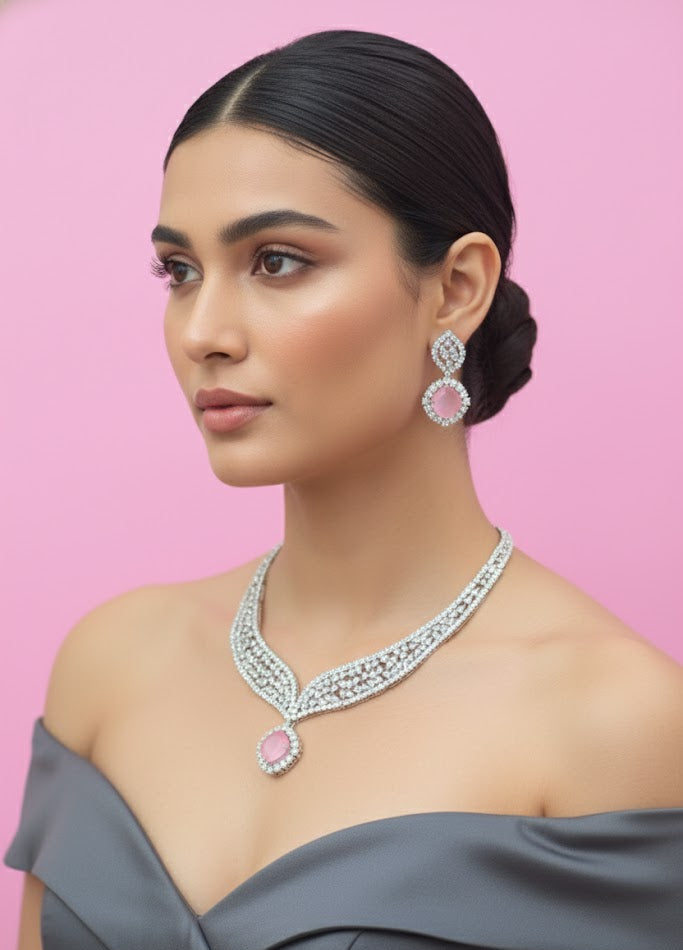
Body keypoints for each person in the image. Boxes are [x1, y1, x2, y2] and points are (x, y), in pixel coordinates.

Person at [4, 28, 682, 950]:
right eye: (179, 271)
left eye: (278, 261)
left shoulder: (616, 723)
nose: (203, 330)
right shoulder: (110, 664)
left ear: (455, 289)